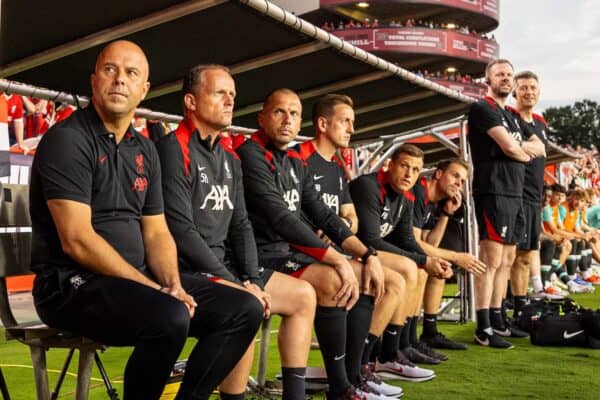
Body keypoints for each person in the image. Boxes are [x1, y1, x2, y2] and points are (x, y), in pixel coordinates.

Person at [29, 40, 263, 400]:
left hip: (135, 283)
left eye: (131, 73)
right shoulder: (68, 139)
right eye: (110, 70)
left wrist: (172, 283)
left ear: (144, 90)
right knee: (169, 317)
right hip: (70, 286)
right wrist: (153, 290)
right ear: (94, 81)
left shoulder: (145, 150)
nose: (120, 80)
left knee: (242, 309)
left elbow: (156, 231)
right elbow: (76, 239)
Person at [157, 64, 317, 400]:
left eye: (232, 94)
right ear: (190, 101)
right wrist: (234, 283)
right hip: (181, 271)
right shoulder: (174, 148)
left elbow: (242, 225)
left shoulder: (230, 157)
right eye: (219, 93)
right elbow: (181, 231)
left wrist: (253, 280)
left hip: (221, 269)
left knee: (301, 295)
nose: (229, 101)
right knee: (244, 305)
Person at [236, 88, 391, 400]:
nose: (287, 120)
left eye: (294, 114)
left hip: (286, 254)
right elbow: (280, 218)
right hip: (257, 257)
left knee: (360, 274)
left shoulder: (295, 160)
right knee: (336, 278)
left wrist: (367, 253)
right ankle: (340, 385)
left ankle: (348, 381)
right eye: (279, 112)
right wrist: (337, 259)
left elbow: (323, 214)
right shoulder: (249, 154)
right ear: (262, 118)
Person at [296, 93, 404, 395]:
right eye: (345, 121)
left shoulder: (337, 167)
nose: (350, 129)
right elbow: (289, 215)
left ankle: (355, 376)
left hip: (332, 250)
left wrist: (341, 227)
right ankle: (342, 384)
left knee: (373, 278)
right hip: (300, 253)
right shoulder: (299, 158)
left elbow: (350, 217)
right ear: (322, 123)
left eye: (352, 123)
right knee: (350, 278)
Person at [349, 144, 452, 379]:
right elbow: (369, 238)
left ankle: (391, 353)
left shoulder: (408, 195)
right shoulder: (368, 186)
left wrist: (428, 259)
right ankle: (375, 358)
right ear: (390, 165)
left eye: (415, 170)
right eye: (404, 166)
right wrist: (423, 260)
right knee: (408, 267)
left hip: (370, 253)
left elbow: (406, 239)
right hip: (350, 251)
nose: (409, 175)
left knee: (417, 269)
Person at [467, 59, 546, 348]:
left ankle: (499, 319)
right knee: (491, 261)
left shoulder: (512, 117)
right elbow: (510, 147)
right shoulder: (483, 109)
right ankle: (483, 326)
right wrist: (520, 151)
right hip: (494, 191)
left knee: (507, 261)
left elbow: (538, 147)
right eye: (500, 74)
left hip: (515, 195)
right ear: (488, 78)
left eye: (509, 74)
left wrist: (520, 151)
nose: (505, 78)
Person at [410, 159, 485, 352]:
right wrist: (457, 257)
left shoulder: (434, 202)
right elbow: (415, 243)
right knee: (423, 269)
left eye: (462, 181)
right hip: (387, 251)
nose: (459, 184)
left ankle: (429, 332)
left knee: (439, 268)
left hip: (406, 251)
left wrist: (445, 213)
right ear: (438, 174)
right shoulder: (419, 191)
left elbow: (431, 243)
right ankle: (407, 341)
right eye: (455, 176)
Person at [509, 71, 550, 313]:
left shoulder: (540, 122)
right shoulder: (510, 119)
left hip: (534, 198)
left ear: (539, 91)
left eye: (533, 87)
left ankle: (521, 308)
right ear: (515, 91)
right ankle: (505, 308)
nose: (529, 92)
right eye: (523, 87)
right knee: (510, 256)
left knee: (525, 255)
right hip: (515, 195)